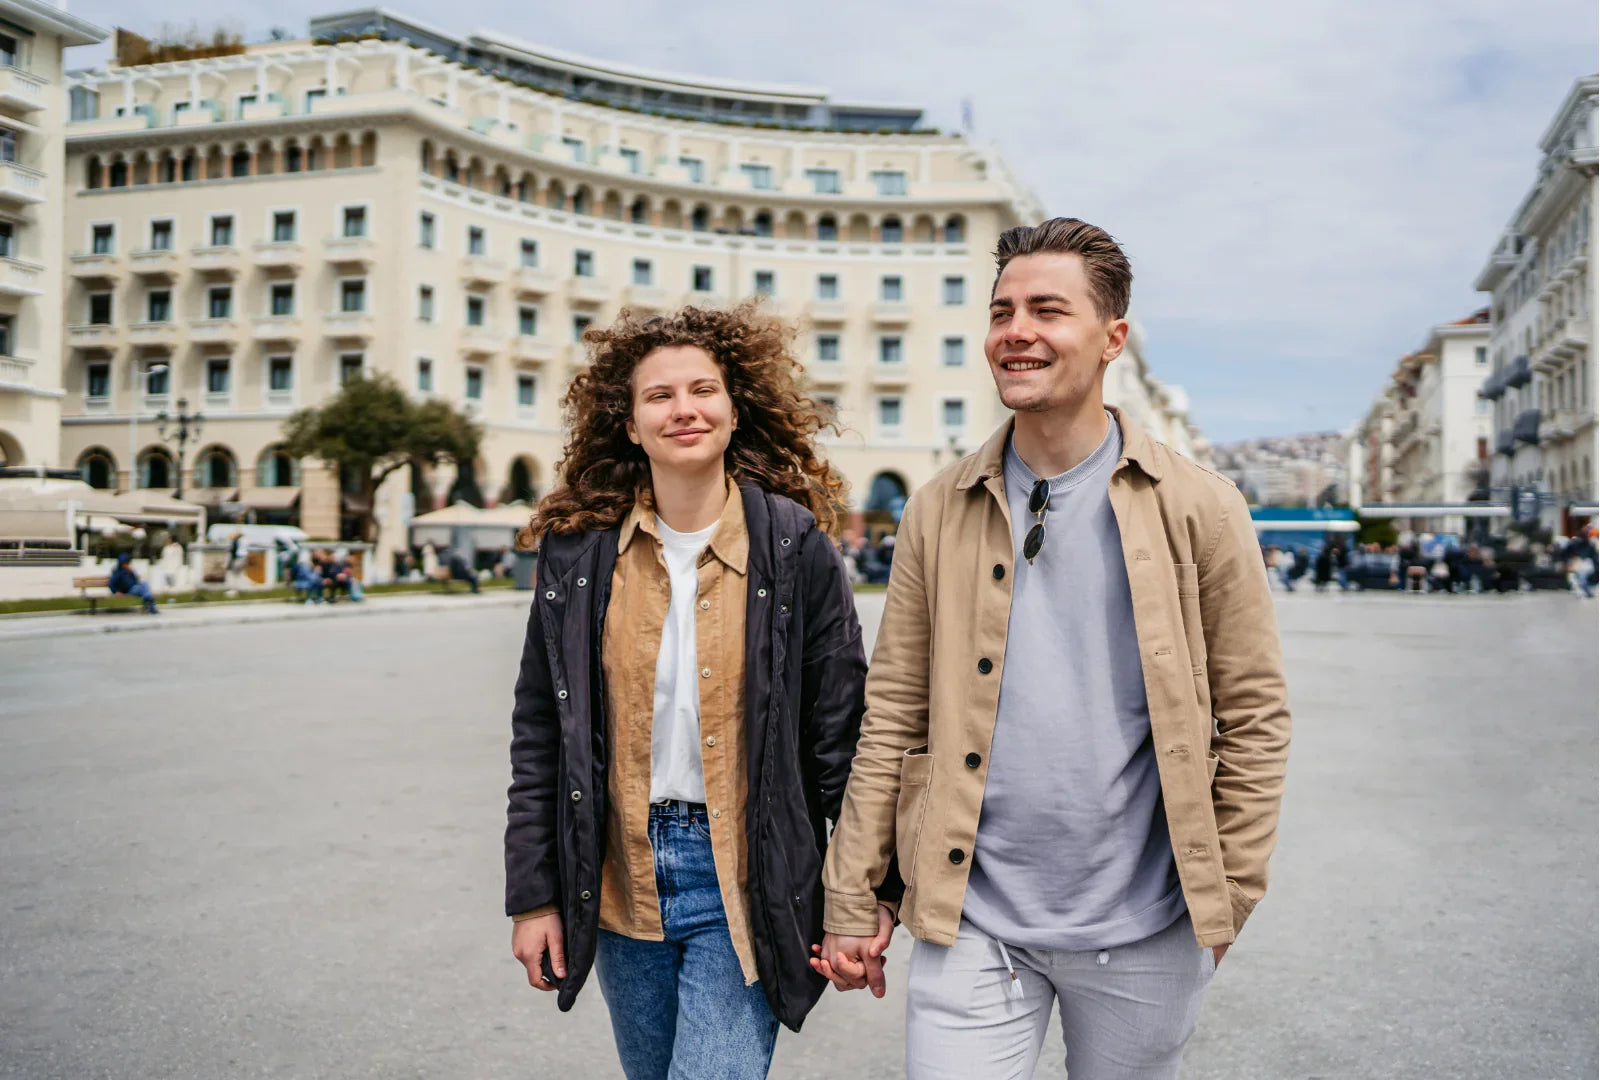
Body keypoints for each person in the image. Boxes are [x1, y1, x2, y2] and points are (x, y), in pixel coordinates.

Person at [814, 218, 1292, 1080]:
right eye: (1002, 312)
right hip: (973, 918)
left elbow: (1255, 716)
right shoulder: (936, 508)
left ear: (1112, 339)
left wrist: (1229, 898)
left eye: (1046, 309)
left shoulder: (1201, 507)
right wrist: (853, 894)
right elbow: (892, 713)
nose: (1016, 332)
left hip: (1147, 925)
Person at [505, 304, 879, 1080]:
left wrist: (867, 894)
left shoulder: (794, 546)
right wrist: (533, 896)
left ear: (735, 411)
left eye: (703, 390)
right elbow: (541, 733)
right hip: (618, 880)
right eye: (659, 396)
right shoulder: (579, 555)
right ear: (632, 425)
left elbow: (842, 737)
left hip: (742, 878)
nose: (685, 409)